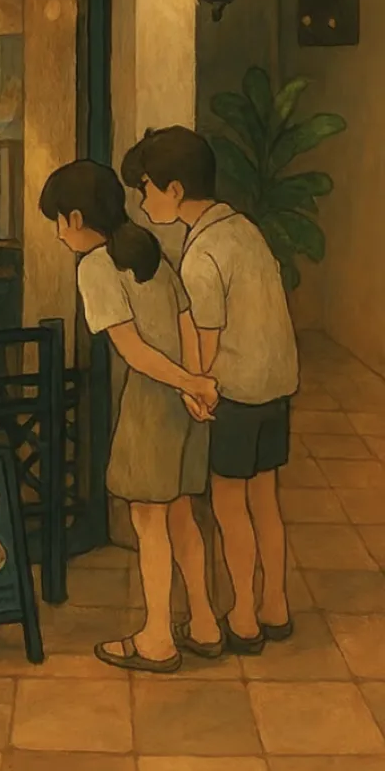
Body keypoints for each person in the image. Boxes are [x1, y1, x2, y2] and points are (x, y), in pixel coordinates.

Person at [122, 125, 300, 653]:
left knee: (228, 506)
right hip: (276, 390)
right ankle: (276, 605)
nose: (142, 199)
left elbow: (206, 343)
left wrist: (191, 390)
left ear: (174, 190)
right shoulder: (244, 229)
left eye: (146, 187)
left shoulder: (200, 256)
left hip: (238, 395)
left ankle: (243, 617)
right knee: (265, 500)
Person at [40, 159, 219, 673]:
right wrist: (196, 381)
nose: (58, 234)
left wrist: (186, 383)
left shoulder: (95, 266)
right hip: (184, 394)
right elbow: (187, 318)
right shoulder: (147, 248)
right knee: (182, 512)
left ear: (75, 218)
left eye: (57, 221)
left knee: (149, 520)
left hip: (152, 397)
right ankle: (204, 624)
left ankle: (158, 638)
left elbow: (134, 350)